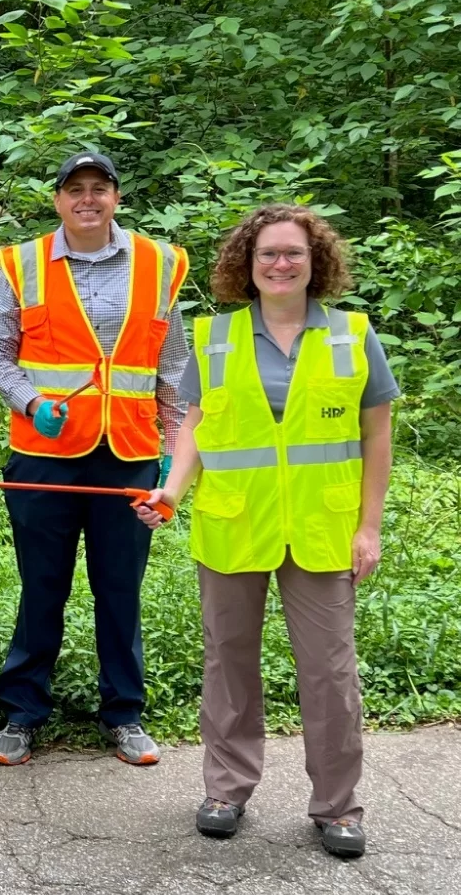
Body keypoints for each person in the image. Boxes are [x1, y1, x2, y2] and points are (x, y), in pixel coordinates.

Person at [138, 205, 397, 858]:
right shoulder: (215, 338)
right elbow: (194, 425)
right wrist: (171, 488)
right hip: (233, 523)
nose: (281, 264)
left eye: (293, 254)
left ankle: (338, 807)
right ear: (246, 266)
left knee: (330, 673)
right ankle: (226, 790)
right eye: (268, 255)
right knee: (229, 665)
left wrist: (369, 528)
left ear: (317, 263)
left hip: (321, 528)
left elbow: (377, 434)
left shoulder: (352, 335)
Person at [0, 150, 190, 768]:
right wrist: (29, 399)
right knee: (42, 584)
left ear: (116, 198)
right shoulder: (22, 264)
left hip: (127, 454)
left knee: (120, 588)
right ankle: (23, 712)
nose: (88, 199)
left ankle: (124, 713)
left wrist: (172, 461)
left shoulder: (159, 264)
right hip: (43, 455)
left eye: (100, 188)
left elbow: (172, 369)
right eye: (76, 189)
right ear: (58, 200)